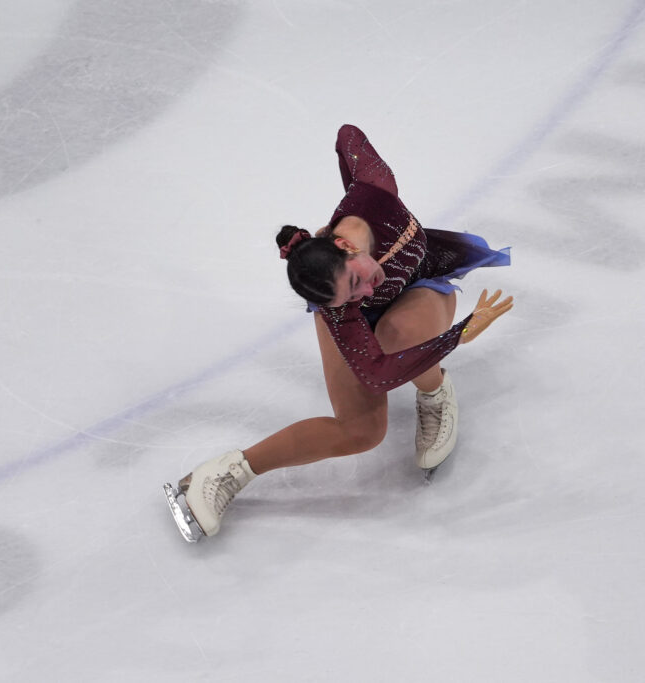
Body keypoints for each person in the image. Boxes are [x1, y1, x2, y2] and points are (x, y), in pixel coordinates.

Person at [164, 124, 513, 541]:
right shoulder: (339, 310)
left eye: (356, 283)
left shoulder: (375, 195)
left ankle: (435, 391)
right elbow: (379, 374)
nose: (366, 293)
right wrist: (460, 334)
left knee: (398, 331)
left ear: (347, 248)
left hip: (421, 291)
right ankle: (226, 473)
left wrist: (351, 192)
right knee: (362, 430)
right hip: (371, 311)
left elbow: (348, 136)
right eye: (349, 298)